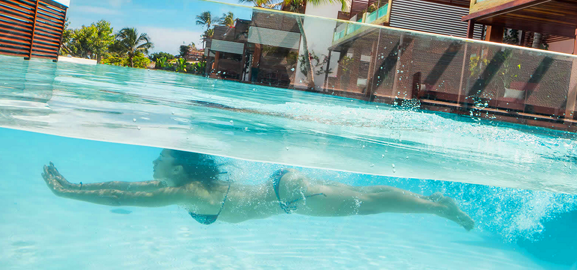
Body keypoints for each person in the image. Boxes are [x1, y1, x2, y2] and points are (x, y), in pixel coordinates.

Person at [41, 149, 474, 230]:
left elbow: (123, 199)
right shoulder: (185, 183)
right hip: (285, 186)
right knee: (366, 197)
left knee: (369, 206)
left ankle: (436, 208)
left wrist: (65, 194)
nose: (154, 163)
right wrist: (73, 184)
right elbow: (124, 187)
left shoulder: (188, 191)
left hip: (291, 197)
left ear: (179, 165)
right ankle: (433, 203)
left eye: (161, 157)